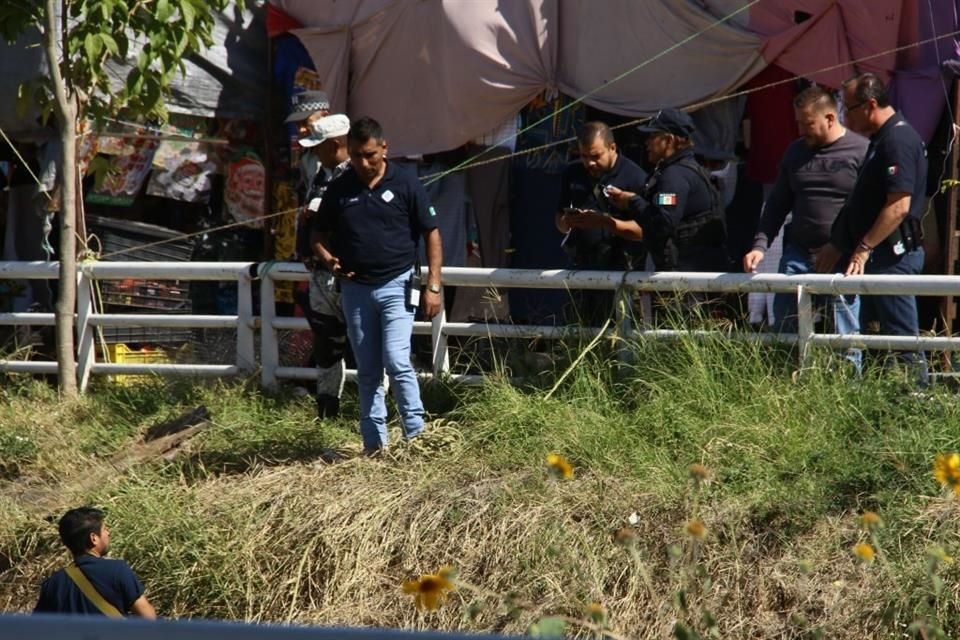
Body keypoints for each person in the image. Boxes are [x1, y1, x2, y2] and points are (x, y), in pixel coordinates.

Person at [313, 117, 443, 454]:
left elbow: (432, 232)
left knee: (396, 360)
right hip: (355, 289)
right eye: (356, 155)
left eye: (370, 154)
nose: (363, 162)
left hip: (397, 283)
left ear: (384, 148)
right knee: (367, 369)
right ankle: (374, 445)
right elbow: (318, 234)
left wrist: (433, 285)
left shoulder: (406, 183)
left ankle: (417, 437)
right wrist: (330, 260)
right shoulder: (340, 188)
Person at [815, 73, 929, 383]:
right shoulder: (882, 140)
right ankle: (881, 399)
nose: (845, 118)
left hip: (893, 256)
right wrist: (841, 242)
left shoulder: (898, 140)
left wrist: (864, 248)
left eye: (849, 109)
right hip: (881, 254)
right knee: (873, 337)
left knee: (901, 338)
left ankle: (918, 400)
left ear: (871, 105)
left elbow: (898, 206)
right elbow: (861, 202)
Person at [743, 86, 868, 367]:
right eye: (798, 122)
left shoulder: (861, 151)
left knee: (844, 331)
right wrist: (760, 246)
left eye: (807, 124)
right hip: (798, 253)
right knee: (786, 325)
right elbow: (777, 204)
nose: (801, 130)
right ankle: (784, 385)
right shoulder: (795, 152)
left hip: (843, 256)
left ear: (830, 118)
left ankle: (849, 391)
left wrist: (846, 247)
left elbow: (867, 209)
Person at [589, 109, 727, 275]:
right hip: (698, 274)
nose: (646, 143)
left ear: (668, 140)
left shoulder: (674, 176)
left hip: (686, 279)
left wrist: (632, 201)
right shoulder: (688, 169)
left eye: (653, 136)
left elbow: (662, 223)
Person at [555, 122, 647, 324]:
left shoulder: (635, 177)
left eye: (596, 156)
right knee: (578, 331)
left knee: (623, 336)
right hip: (582, 268)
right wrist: (567, 222)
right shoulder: (572, 173)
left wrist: (606, 223)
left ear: (612, 148)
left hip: (623, 269)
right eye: (584, 156)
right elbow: (559, 219)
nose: (590, 163)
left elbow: (645, 230)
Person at [295, 114, 353, 419]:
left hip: (350, 274)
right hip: (320, 273)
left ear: (334, 145)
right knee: (326, 344)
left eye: (318, 146)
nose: (313, 152)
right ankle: (327, 409)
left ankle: (376, 414)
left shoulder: (356, 175)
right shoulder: (320, 174)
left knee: (369, 345)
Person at [34, 507, 157, 619]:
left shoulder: (52, 585)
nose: (108, 533)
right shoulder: (117, 570)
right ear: (94, 538)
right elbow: (148, 618)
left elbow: (37, 630)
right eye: (104, 529)